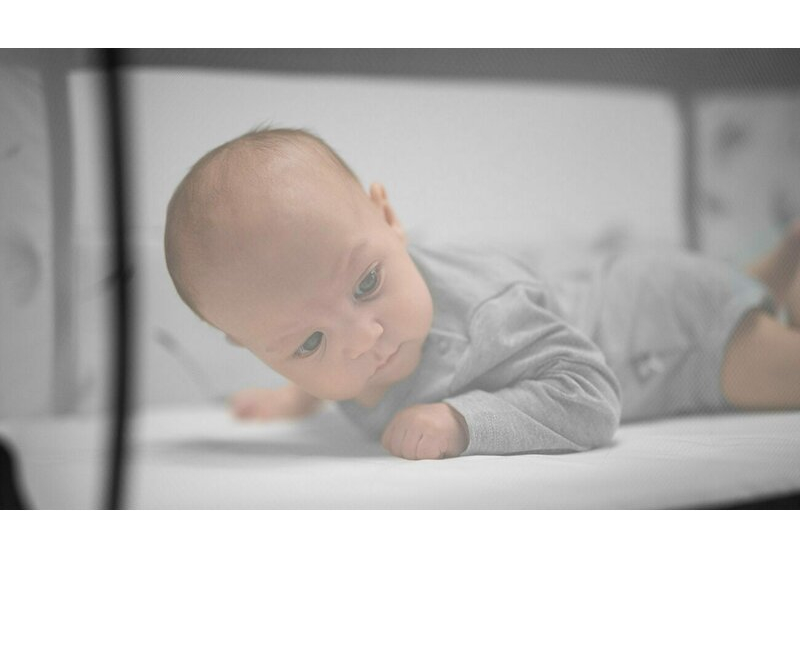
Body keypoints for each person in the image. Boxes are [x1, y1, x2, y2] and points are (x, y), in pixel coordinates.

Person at [164, 127, 800, 460]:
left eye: (367, 284)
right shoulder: (336, 298)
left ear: (389, 217)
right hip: (635, 288)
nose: (364, 340)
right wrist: (292, 400)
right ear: (255, 348)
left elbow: (592, 395)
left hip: (669, 337)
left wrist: (461, 421)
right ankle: (769, 272)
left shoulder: (485, 317)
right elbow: (327, 337)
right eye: (308, 344)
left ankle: (757, 289)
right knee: (742, 289)